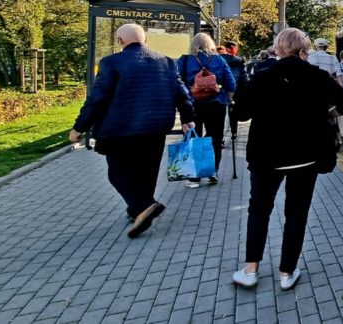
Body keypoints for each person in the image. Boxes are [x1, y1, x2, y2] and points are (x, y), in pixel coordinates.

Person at [230, 28, 343, 290]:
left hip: (267, 158)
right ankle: (287, 272)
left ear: (278, 50)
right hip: (306, 158)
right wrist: (327, 113)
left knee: (259, 210)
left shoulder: (262, 76)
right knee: (297, 213)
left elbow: (241, 113)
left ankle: (251, 268)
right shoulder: (317, 76)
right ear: (303, 51)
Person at [70, 24, 195, 238]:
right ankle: (137, 210)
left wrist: (79, 127)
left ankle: (144, 206)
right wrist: (187, 118)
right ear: (145, 39)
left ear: (120, 41)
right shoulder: (166, 62)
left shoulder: (111, 63)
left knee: (118, 173)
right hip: (155, 128)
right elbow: (181, 93)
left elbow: (97, 98)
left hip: (119, 129)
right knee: (147, 171)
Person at [177, 33, 237, 186]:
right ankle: (213, 171)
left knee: (193, 137)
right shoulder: (219, 60)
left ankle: (194, 176)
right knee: (215, 138)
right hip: (216, 104)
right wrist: (222, 89)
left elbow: (177, 83)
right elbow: (231, 84)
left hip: (192, 105)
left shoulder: (184, 60)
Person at [221, 41, 248, 141]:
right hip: (235, 92)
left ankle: (221, 137)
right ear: (232, 48)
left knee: (222, 114)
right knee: (232, 112)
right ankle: (233, 132)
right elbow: (244, 77)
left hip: (221, 91)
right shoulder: (240, 61)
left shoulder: (219, 59)